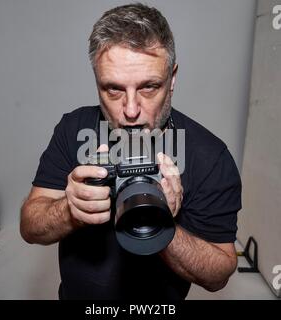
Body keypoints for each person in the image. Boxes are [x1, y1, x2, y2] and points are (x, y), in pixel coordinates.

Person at [20, 3, 242, 300]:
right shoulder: (74, 129)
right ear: (97, 82)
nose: (131, 110)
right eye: (113, 90)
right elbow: (30, 226)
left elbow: (219, 275)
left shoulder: (210, 157)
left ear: (172, 78)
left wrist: (163, 225)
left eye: (149, 87)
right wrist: (70, 210)